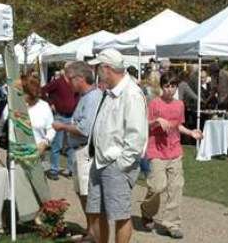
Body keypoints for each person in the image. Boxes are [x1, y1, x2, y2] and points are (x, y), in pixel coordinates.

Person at [86, 49, 148, 243]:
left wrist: (122, 164)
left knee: (120, 215)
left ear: (107, 68)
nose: (96, 71)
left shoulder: (131, 93)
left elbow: (136, 135)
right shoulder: (110, 92)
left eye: (98, 67)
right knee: (97, 212)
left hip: (115, 162)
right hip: (100, 160)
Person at [140, 71, 203, 239]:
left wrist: (191, 133)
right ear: (162, 87)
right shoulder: (154, 103)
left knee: (176, 187)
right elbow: (143, 124)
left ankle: (172, 224)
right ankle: (147, 212)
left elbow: (177, 125)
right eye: (167, 86)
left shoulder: (179, 105)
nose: (170, 89)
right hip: (157, 152)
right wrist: (156, 121)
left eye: (173, 86)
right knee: (157, 186)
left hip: (175, 151)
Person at [51, 61, 103, 241]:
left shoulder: (93, 97)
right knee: (82, 193)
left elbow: (85, 129)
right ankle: (91, 231)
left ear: (80, 78)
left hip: (85, 151)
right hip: (78, 151)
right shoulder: (85, 96)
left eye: (70, 79)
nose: (68, 83)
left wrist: (63, 126)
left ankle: (95, 234)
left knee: (89, 195)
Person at [42, 64, 79, 180]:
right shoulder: (58, 82)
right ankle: (54, 169)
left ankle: (70, 169)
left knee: (71, 145)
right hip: (59, 116)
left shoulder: (75, 82)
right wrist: (50, 102)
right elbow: (43, 90)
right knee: (56, 144)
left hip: (72, 117)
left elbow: (78, 95)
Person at [23, 74, 56, 166]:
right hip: (16, 154)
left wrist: (45, 142)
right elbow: (2, 124)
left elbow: (51, 128)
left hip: (38, 155)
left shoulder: (44, 106)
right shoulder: (15, 105)